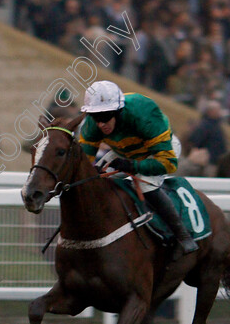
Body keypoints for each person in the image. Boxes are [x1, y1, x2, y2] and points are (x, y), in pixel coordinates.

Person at [79, 80, 198, 256]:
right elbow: (83, 164)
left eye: (106, 116)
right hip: (125, 152)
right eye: (96, 117)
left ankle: (182, 235)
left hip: (160, 151)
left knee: (145, 185)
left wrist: (131, 166)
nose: (101, 123)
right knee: (95, 181)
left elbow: (168, 163)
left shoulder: (143, 113)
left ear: (118, 111)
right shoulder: (92, 125)